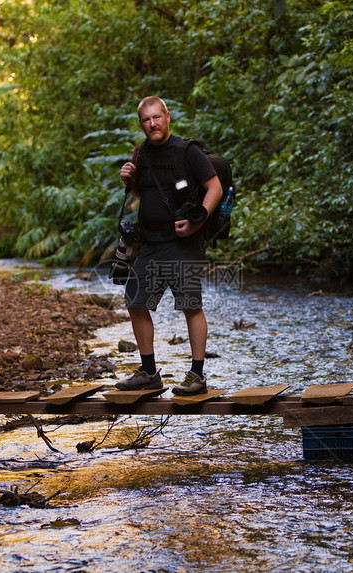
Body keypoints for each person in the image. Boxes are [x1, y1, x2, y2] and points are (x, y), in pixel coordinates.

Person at [115, 96, 223, 396]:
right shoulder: (141, 154)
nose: (152, 124)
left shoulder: (187, 151)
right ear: (142, 124)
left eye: (156, 117)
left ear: (167, 117)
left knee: (190, 306)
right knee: (135, 301)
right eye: (146, 120)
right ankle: (149, 373)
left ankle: (197, 375)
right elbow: (142, 192)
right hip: (149, 243)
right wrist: (129, 180)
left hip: (183, 243)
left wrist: (197, 223)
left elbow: (215, 187)